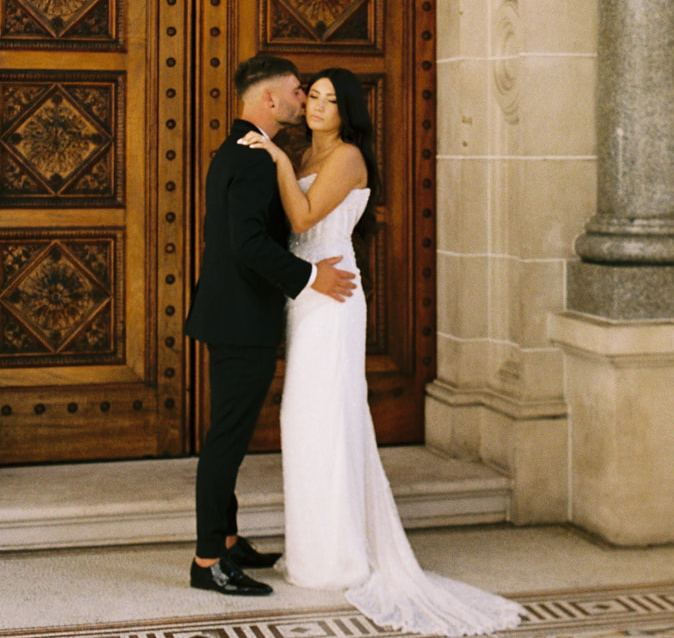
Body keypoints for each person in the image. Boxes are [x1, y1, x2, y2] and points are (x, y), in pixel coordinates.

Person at [241, 67, 523, 636]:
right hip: (309, 293)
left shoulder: (345, 157)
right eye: (312, 97)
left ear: (347, 111)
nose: (318, 106)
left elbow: (302, 217)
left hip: (333, 296)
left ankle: (338, 559)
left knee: (322, 419)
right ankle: (317, 550)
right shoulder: (303, 158)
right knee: (307, 422)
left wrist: (270, 158)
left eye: (329, 100)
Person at [184, 55, 358, 597]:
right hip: (241, 319)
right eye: (296, 91)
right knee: (226, 441)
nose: (303, 101)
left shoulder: (247, 149)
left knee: (227, 435)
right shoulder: (256, 157)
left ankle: (229, 541)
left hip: (233, 313)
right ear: (268, 100)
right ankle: (208, 558)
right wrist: (310, 277)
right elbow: (249, 244)